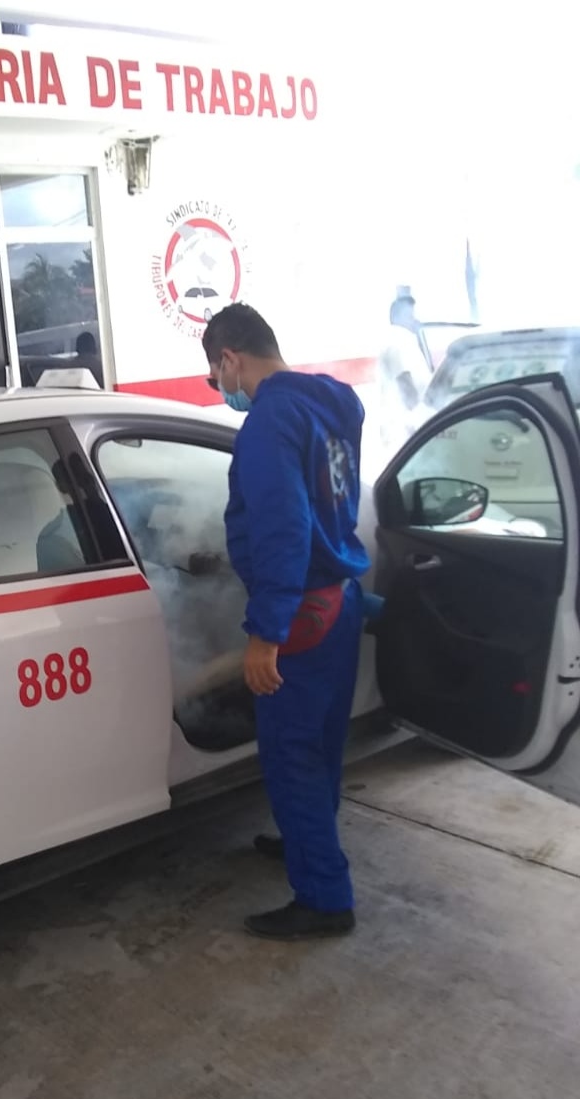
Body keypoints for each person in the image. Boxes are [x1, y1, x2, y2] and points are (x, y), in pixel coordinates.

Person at [203, 303, 371, 940]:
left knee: (291, 755)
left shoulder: (269, 420)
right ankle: (308, 840)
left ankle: (324, 900)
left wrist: (265, 634)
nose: (221, 389)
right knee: (321, 745)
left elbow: (283, 528)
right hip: (338, 600)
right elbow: (328, 508)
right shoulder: (332, 404)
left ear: (230, 359)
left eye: (215, 376)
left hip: (299, 614)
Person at [375, 291, 431, 450]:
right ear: (396, 318)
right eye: (409, 316)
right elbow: (404, 381)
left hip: (401, 427)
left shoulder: (398, 339)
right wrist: (422, 417)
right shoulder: (398, 338)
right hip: (404, 428)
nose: (415, 320)